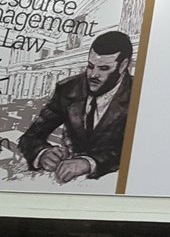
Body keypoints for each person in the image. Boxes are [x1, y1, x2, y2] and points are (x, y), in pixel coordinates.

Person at [18, 31, 135, 185]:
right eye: (90, 66)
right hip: (67, 184)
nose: (93, 75)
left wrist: (89, 163)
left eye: (104, 68)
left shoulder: (140, 94)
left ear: (123, 66)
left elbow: (138, 150)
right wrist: (43, 153)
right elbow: (30, 136)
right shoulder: (68, 88)